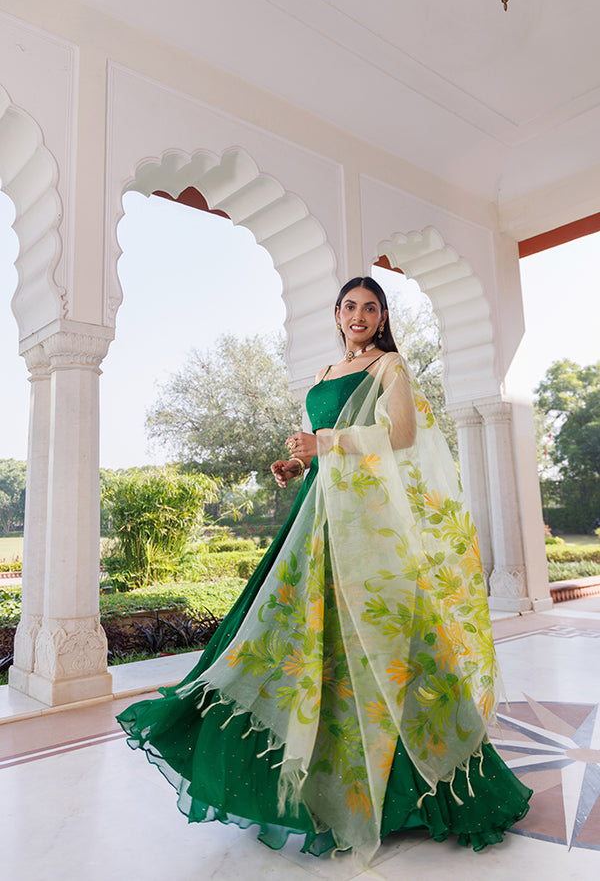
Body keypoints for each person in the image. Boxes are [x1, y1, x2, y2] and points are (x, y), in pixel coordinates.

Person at [117, 277, 531, 864]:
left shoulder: (389, 368)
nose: (358, 315)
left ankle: (423, 785)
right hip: (319, 519)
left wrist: (326, 442)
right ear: (337, 315)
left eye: (370, 307)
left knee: (392, 645)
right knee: (297, 640)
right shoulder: (322, 375)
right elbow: (324, 448)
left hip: (366, 529)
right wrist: (296, 462)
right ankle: (313, 788)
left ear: (382, 316)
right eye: (349, 307)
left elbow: (405, 435)